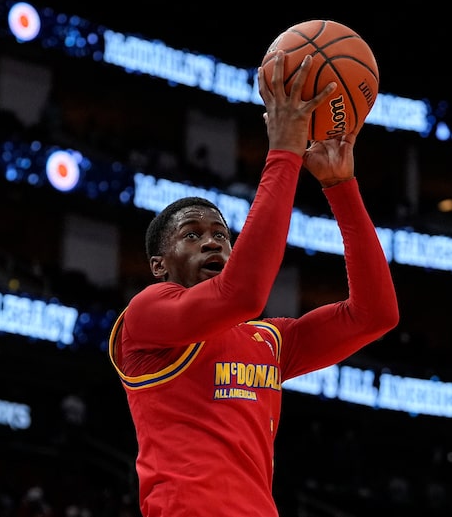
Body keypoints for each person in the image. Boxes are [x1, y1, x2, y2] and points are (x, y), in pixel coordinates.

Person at [108, 50, 400, 517]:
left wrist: (341, 187)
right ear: (159, 265)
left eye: (221, 235)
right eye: (193, 235)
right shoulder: (147, 315)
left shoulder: (268, 340)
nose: (213, 244)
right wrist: (283, 151)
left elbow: (375, 315)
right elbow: (243, 294)